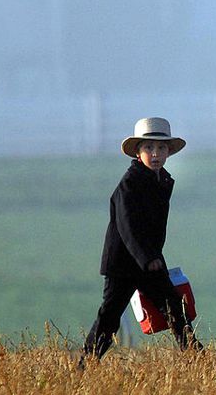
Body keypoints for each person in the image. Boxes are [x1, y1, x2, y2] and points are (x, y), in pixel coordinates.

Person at [83, 117, 200, 360]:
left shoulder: (160, 180)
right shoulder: (130, 183)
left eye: (161, 148)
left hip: (149, 261)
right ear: (137, 152)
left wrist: (151, 257)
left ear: (169, 151)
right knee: (110, 317)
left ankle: (198, 358)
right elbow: (128, 227)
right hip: (125, 264)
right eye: (148, 147)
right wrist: (147, 258)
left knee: (175, 310)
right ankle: (86, 362)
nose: (155, 153)